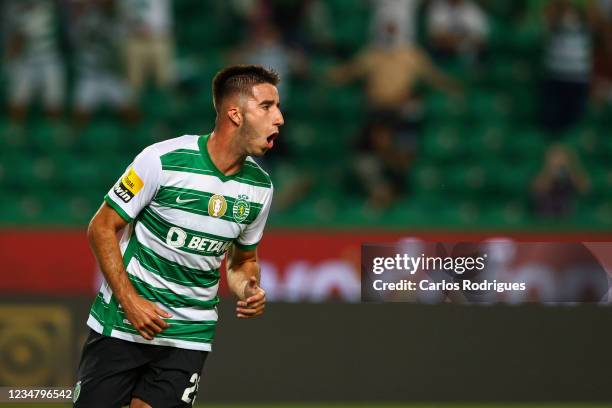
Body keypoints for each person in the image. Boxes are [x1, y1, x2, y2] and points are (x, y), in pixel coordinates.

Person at [73, 65, 283, 407]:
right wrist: (131, 302)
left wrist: (248, 287)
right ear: (235, 113)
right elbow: (101, 227)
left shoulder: (259, 188)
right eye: (267, 106)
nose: (279, 118)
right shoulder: (162, 161)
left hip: (189, 335)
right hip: (123, 323)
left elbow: (243, 261)